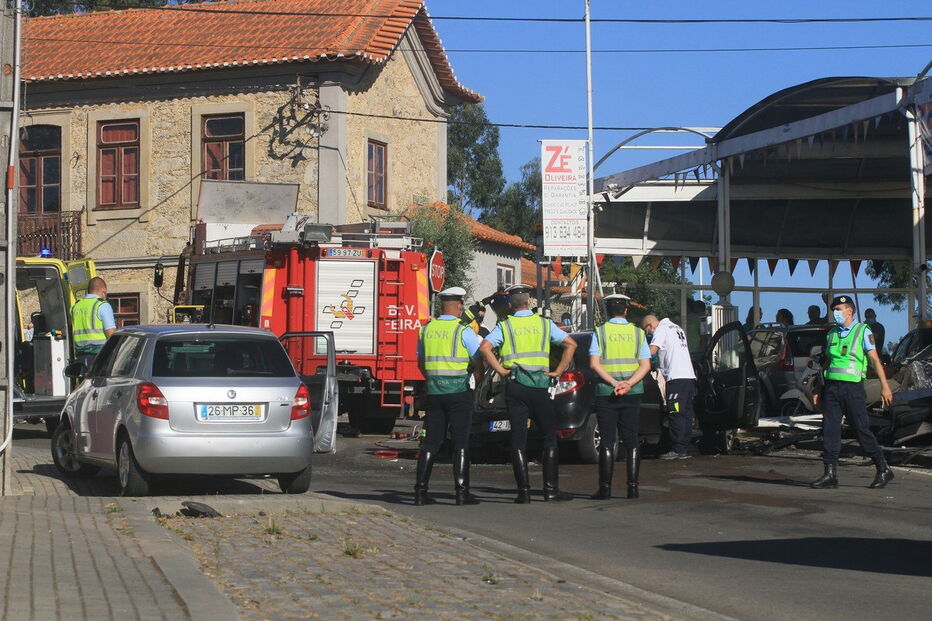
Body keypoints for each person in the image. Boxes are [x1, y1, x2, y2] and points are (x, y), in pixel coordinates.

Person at [479, 284, 577, 503]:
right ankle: (551, 490)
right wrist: (558, 371)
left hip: (516, 386)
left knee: (518, 439)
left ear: (511, 305)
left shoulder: (506, 325)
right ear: (530, 302)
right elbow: (570, 344)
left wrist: (502, 370)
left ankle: (523, 492)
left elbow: (485, 347)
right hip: (541, 386)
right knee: (549, 437)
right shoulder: (544, 324)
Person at [810, 295, 894, 489]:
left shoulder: (862, 331)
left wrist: (885, 386)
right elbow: (826, 364)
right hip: (832, 388)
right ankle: (830, 474)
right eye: (835, 310)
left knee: (860, 429)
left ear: (850, 311)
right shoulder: (831, 334)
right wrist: (818, 389)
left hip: (853, 388)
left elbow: (874, 360)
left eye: (839, 309)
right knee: (830, 430)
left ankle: (883, 468)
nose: (836, 313)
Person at [415, 287, 483, 506]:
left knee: (431, 442)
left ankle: (420, 492)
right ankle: (462, 493)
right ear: (459, 306)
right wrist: (476, 382)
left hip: (434, 392)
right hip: (459, 393)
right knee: (461, 442)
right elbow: (478, 360)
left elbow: (421, 362)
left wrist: (433, 380)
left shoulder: (426, 329)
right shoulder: (463, 330)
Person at [588, 294, 652, 499]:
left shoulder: (600, 332)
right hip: (632, 393)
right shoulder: (638, 333)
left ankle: (605, 488)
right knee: (632, 440)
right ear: (626, 310)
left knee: (607, 441)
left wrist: (615, 384)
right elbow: (646, 366)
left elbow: (594, 364)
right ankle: (633, 488)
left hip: (607, 392)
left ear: (607, 310)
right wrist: (629, 384)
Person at [641, 314, 696, 459]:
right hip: (688, 377)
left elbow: (652, 350)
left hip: (676, 378)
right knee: (686, 413)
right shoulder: (677, 328)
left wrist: (636, 358)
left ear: (650, 325)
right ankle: (684, 447)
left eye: (647, 330)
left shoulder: (661, 329)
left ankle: (677, 449)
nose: (649, 333)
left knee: (675, 412)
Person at [70, 276, 116, 365]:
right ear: (103, 290)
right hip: (100, 356)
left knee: (84, 379)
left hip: (80, 357)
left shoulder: (75, 307)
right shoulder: (102, 305)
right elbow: (111, 335)